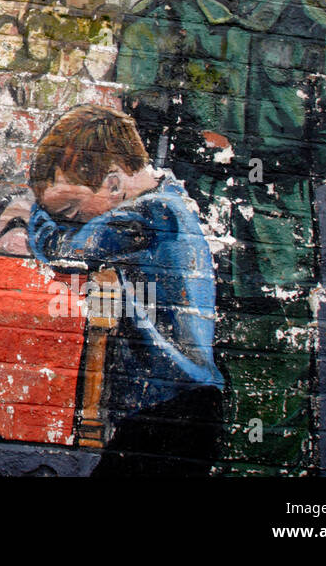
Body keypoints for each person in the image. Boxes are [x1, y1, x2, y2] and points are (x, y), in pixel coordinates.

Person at [115, 0, 326, 473]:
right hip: (178, 231)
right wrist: (183, 145)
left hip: (274, 241)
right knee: (161, 384)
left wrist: (262, 161)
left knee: (267, 394)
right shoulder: (162, 21)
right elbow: (126, 127)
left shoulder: (318, 35)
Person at [19, 105, 224, 475]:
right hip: (170, 404)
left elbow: (65, 250)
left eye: (70, 208)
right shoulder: (167, 204)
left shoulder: (149, 215)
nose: (69, 221)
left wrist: (34, 215)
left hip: (174, 408)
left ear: (113, 184)